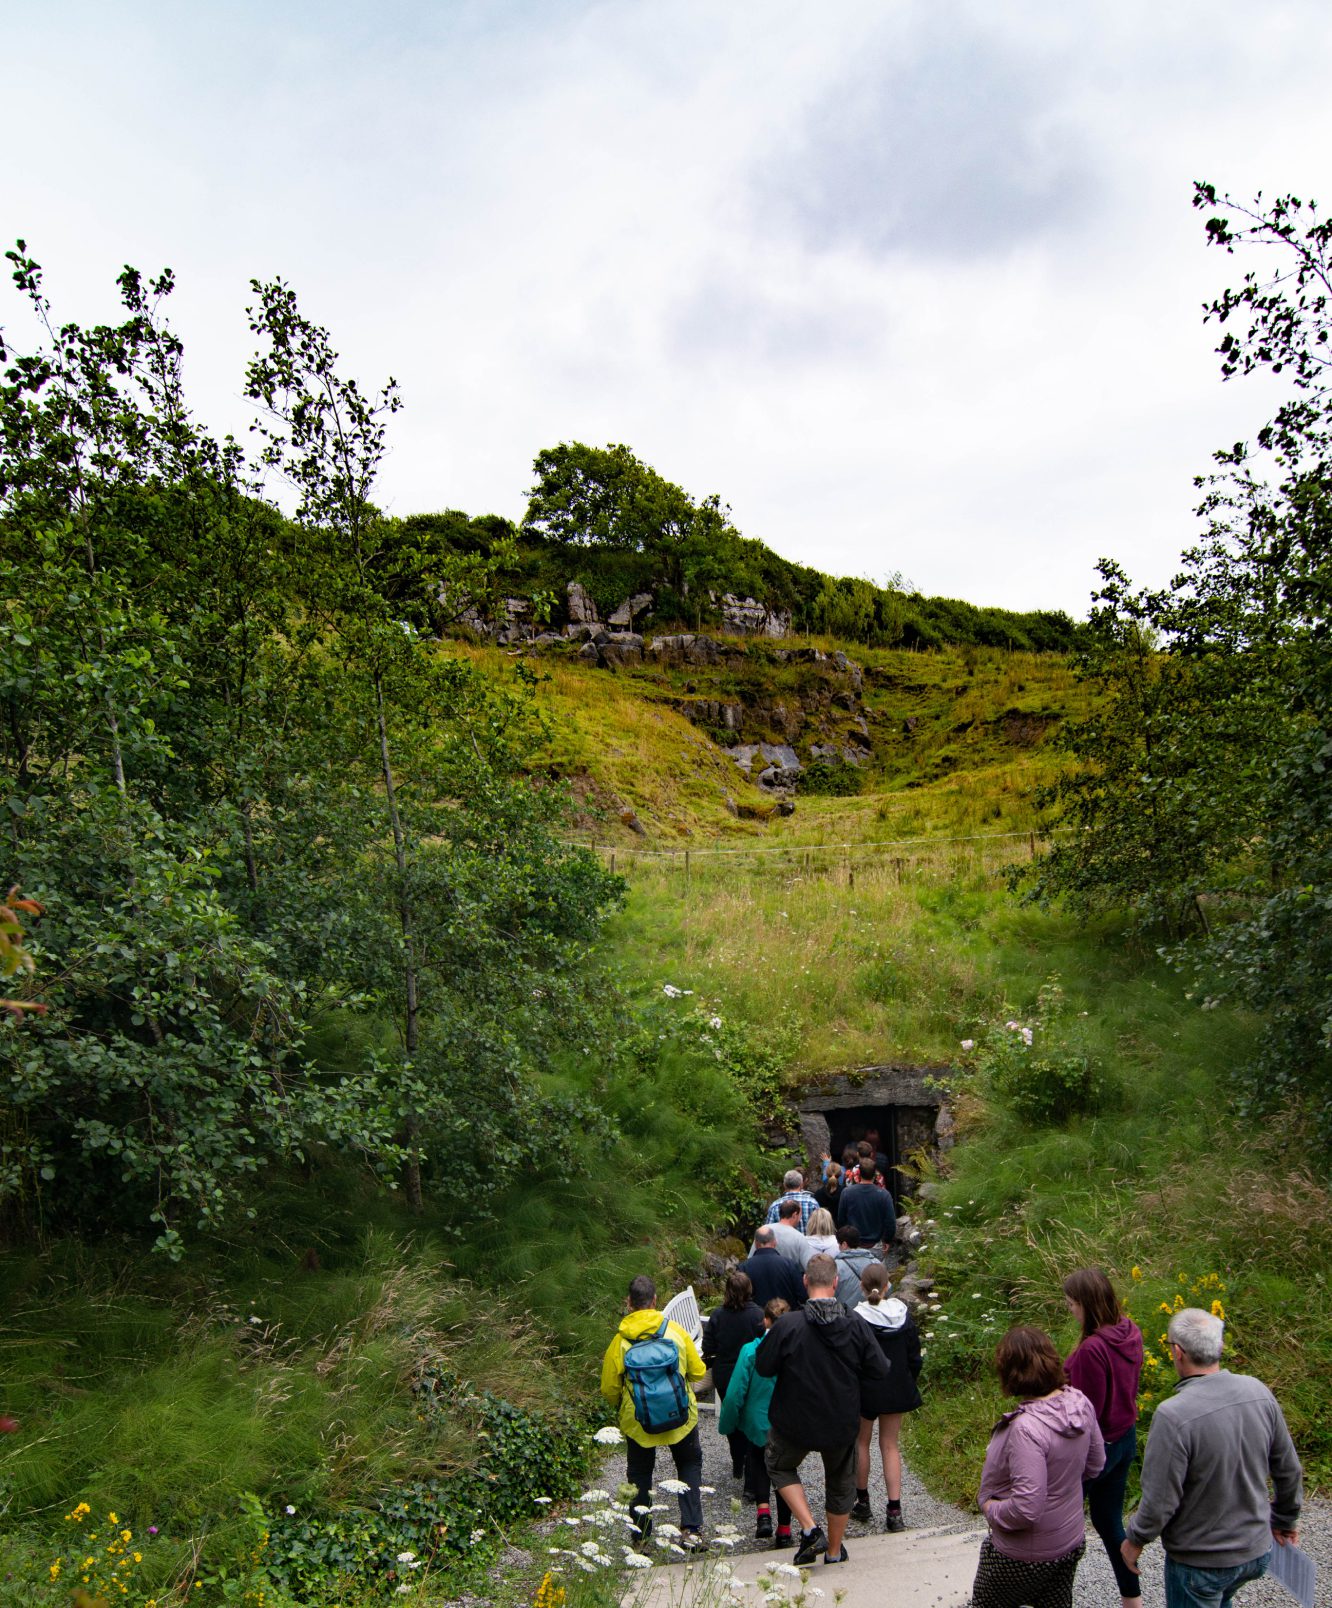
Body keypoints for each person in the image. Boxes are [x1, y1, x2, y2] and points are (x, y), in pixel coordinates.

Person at [1122, 1307, 1302, 1608]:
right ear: (1219, 1346)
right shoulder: (1258, 1391)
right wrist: (1285, 1518)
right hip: (1255, 1553)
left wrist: (1135, 1540)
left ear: (1177, 1352)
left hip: (1200, 1562)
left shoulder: (1173, 1415)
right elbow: (1289, 1469)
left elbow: (1160, 1501)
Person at [754, 1252, 890, 1567]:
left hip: (794, 1420)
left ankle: (810, 1528)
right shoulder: (855, 1323)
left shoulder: (788, 1325)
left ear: (805, 1281)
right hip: (840, 1420)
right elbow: (879, 1368)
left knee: (777, 1464)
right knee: (841, 1480)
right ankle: (833, 1551)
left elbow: (763, 1366)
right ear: (836, 1282)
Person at [974, 1325, 1105, 1608]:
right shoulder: (1079, 1402)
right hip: (1070, 1540)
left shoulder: (1026, 1428)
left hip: (1022, 1554)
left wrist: (989, 1507)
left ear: (1009, 1373)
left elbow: (1026, 1507)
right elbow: (1096, 1463)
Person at [599, 1274, 708, 1549]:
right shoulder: (675, 1332)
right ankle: (691, 1530)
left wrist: (623, 1406)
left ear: (629, 1303)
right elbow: (697, 1371)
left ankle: (641, 1539)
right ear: (655, 1301)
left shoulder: (619, 1342)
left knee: (639, 1474)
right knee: (689, 1463)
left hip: (638, 1421)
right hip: (680, 1418)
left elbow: (609, 1388)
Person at [1062, 1267, 1144, 1608]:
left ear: (1085, 1304)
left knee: (1060, 1526)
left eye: (1071, 1303)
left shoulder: (1091, 1351)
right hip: (1125, 1438)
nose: (1069, 1310)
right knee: (1109, 1521)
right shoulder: (1129, 1331)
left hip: (1099, 1449)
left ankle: (1050, 1595)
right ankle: (1132, 1599)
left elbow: (1085, 1414)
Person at [851, 1263, 922, 1532]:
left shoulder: (857, 1317)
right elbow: (915, 1356)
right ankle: (894, 1511)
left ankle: (863, 1501)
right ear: (888, 1284)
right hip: (896, 1386)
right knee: (890, 1444)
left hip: (867, 1388)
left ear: (861, 1285)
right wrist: (907, 1379)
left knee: (862, 1442)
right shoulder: (902, 1315)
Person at [718, 1297, 794, 1544]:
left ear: (765, 1320)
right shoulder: (795, 1348)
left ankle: (763, 1514)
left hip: (757, 1421)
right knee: (785, 1472)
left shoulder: (751, 1350)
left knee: (759, 1462)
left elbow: (735, 1392)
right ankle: (784, 1529)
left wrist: (728, 1423)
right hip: (786, 1422)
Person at [702, 1269, 764, 1487]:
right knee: (749, 1415)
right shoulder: (758, 1315)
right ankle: (750, 1463)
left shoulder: (718, 1315)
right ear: (749, 1289)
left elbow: (707, 1346)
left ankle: (737, 1460)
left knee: (732, 1417)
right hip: (751, 1373)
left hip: (725, 1374)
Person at [738, 1225, 806, 1309]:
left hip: (756, 1320)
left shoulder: (743, 1268)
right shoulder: (790, 1265)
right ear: (774, 1242)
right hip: (786, 1318)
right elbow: (802, 1296)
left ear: (756, 1244)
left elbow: (739, 1299)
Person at [836, 1158, 897, 1250]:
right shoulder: (884, 1195)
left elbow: (841, 1219)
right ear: (875, 1174)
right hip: (876, 1244)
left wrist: (845, 1239)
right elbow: (890, 1222)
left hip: (853, 1244)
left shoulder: (847, 1193)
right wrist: (887, 1240)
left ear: (859, 1173)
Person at [834, 1224, 883, 1313]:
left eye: (839, 1244)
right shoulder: (875, 1262)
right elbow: (887, 1288)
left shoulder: (836, 1266)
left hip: (847, 1315)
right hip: (872, 1313)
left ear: (844, 1244)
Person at [767, 1196, 813, 1268]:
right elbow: (808, 1267)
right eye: (800, 1215)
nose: (800, 1218)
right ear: (794, 1215)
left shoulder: (765, 1231)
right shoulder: (799, 1237)